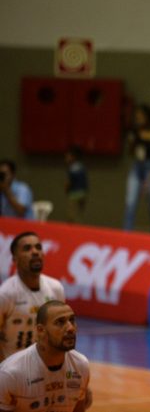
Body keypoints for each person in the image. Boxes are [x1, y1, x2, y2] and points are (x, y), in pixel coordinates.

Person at [0, 232, 66, 361]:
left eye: (38, 247)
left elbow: (61, 332)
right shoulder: (5, 294)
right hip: (11, 368)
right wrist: (4, 368)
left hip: (44, 367)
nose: (35, 252)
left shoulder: (56, 289)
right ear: (15, 259)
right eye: (27, 248)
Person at [123, 103, 150, 233]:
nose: (138, 120)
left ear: (148, 117)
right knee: (130, 202)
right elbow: (132, 153)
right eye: (136, 117)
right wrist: (131, 143)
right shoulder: (135, 132)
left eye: (141, 117)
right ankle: (126, 233)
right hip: (137, 167)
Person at [64, 146, 88, 223]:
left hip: (73, 195)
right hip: (83, 194)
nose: (66, 158)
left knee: (71, 217)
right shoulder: (82, 166)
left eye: (68, 156)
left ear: (73, 157)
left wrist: (66, 189)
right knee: (80, 216)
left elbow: (68, 183)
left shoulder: (72, 168)